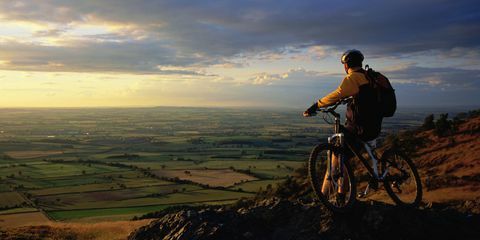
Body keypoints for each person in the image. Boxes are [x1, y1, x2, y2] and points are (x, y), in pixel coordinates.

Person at [303, 49, 383, 202]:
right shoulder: (370, 78)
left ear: (346, 65)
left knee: (338, 155)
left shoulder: (353, 78)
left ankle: (334, 196)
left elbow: (338, 93)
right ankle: (334, 194)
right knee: (343, 155)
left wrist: (316, 105)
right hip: (374, 126)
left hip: (360, 128)